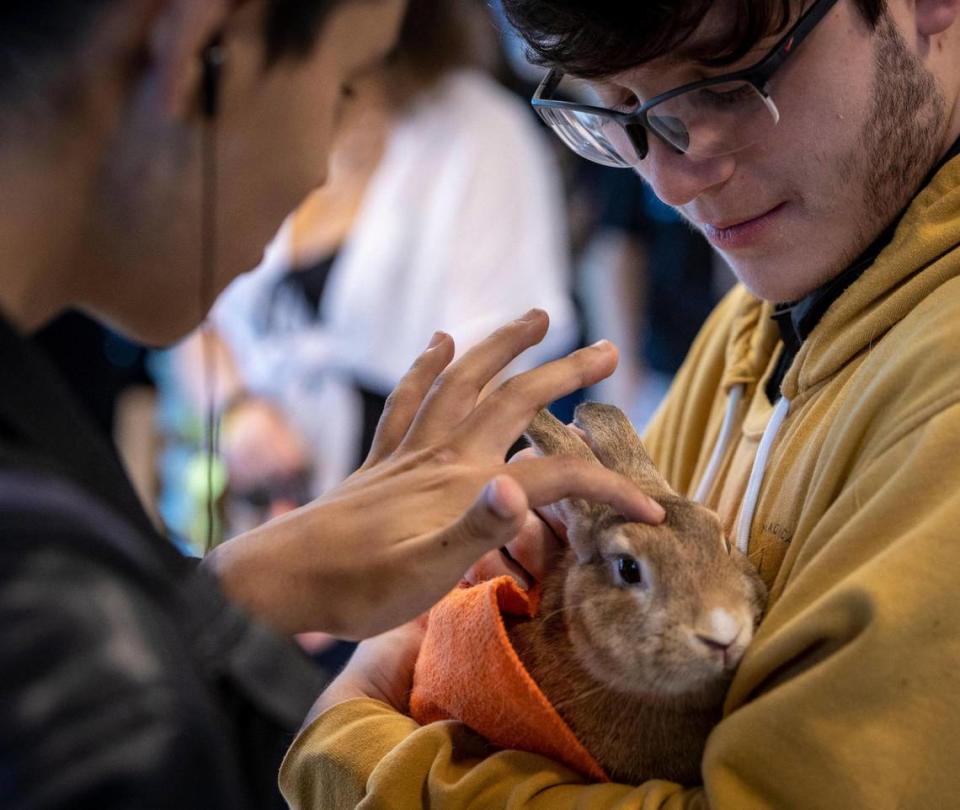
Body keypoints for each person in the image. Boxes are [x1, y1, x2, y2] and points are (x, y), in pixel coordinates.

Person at [279, 0, 960, 807]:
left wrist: (353, 751)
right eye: (620, 112)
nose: (670, 181)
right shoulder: (764, 312)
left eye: (732, 84)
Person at [0, 1, 666, 807]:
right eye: (343, 85)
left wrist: (242, 585)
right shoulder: (79, 673)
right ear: (200, 50)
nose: (322, 170)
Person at [169, 0, 574, 525]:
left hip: (404, 518)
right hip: (255, 509)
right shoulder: (248, 122)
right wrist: (239, 412)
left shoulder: (481, 134)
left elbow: (494, 363)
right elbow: (194, 313)